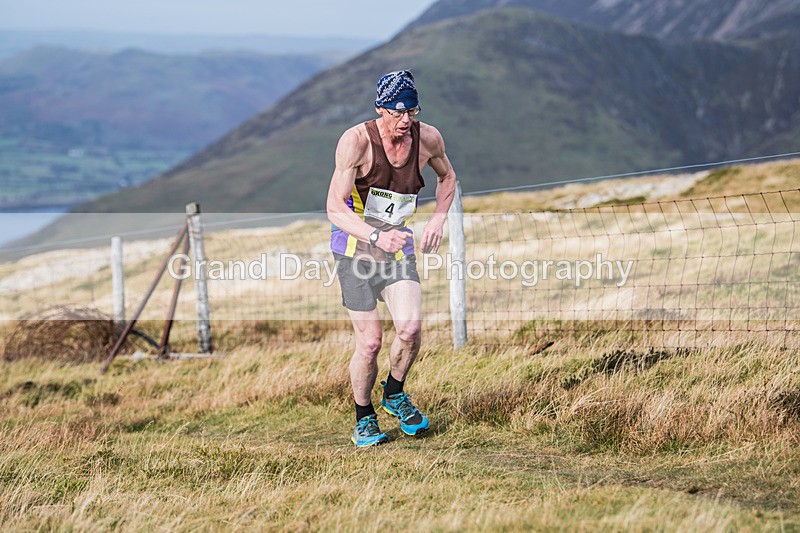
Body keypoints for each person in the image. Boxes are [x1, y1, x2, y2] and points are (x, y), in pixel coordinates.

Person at [326, 70, 457, 447]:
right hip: (354, 252)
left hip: (398, 251)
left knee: (411, 329)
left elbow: (448, 179)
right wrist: (375, 235)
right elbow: (334, 208)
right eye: (397, 113)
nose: (405, 121)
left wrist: (437, 220)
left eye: (412, 112)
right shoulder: (355, 142)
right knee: (369, 342)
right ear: (380, 108)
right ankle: (364, 417)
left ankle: (395, 392)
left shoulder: (428, 138)